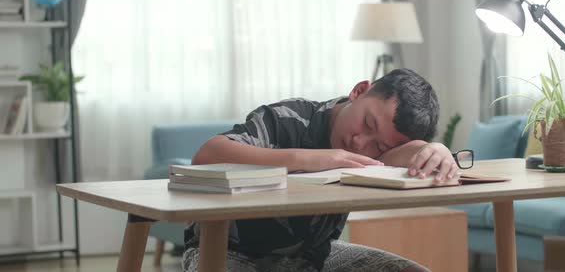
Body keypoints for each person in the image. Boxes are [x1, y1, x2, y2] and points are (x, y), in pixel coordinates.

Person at [183, 68, 459, 272]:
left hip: (310, 260)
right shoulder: (287, 119)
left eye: (380, 144)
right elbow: (207, 155)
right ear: (359, 91)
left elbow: (405, 154)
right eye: (368, 123)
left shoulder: (375, 152)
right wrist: (311, 159)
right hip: (226, 252)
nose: (360, 143)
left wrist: (435, 150)